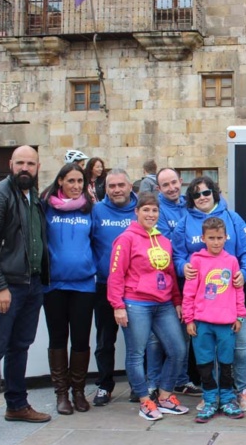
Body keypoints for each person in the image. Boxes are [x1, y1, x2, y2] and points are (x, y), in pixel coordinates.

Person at [0, 146, 51, 444]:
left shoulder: (33, 198)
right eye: (20, 163)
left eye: (30, 163)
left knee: (20, 347)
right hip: (5, 287)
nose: (25, 168)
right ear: (10, 164)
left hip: (31, 285)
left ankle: (17, 404)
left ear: (38, 166)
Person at [173, 176, 246, 412]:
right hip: (203, 304)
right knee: (206, 353)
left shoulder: (233, 218)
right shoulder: (183, 222)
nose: (202, 197)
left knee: (238, 350)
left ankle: (240, 391)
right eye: (196, 194)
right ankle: (210, 395)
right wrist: (183, 267)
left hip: (230, 300)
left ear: (215, 193)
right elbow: (176, 255)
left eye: (206, 192)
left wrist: (244, 273)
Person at [108, 192, 189, 421]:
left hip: (163, 304)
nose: (151, 214)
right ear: (136, 212)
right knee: (136, 354)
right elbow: (115, 274)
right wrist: (117, 305)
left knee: (178, 350)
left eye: (154, 210)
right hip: (136, 303)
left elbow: (170, 273)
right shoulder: (126, 239)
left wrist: (177, 301)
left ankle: (164, 396)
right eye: (146, 210)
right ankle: (145, 400)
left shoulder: (163, 240)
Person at [40, 163, 97, 415]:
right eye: (71, 181)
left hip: (83, 285)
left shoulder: (90, 208)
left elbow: (97, 241)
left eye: (80, 181)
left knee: (81, 340)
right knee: (58, 339)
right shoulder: (46, 207)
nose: (76, 186)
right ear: (60, 181)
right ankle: (61, 393)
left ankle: (79, 391)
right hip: (54, 285)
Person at [183, 217, 246, 422]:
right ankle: (210, 399)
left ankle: (227, 399)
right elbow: (189, 292)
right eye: (211, 238)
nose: (216, 242)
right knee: (205, 363)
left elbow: (238, 290)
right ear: (203, 238)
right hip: (201, 323)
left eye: (220, 238)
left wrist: (239, 315)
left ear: (226, 237)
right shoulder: (196, 261)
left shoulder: (232, 261)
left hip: (227, 323)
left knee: (226, 362)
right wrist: (189, 319)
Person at [147, 167, 203, 400]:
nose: (171, 188)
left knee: (184, 333)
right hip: (164, 281)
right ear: (158, 188)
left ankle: (180, 381)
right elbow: (166, 245)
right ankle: (153, 383)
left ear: (181, 181)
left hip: (189, 281)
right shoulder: (157, 210)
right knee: (157, 338)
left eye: (174, 182)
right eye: (165, 185)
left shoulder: (190, 206)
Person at [91, 169, 137, 406]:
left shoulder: (141, 210)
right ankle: (104, 385)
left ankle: (137, 385)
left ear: (130, 186)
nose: (117, 190)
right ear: (106, 188)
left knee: (137, 342)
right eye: (112, 186)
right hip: (105, 286)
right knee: (105, 340)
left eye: (121, 185)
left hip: (136, 289)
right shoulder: (97, 210)